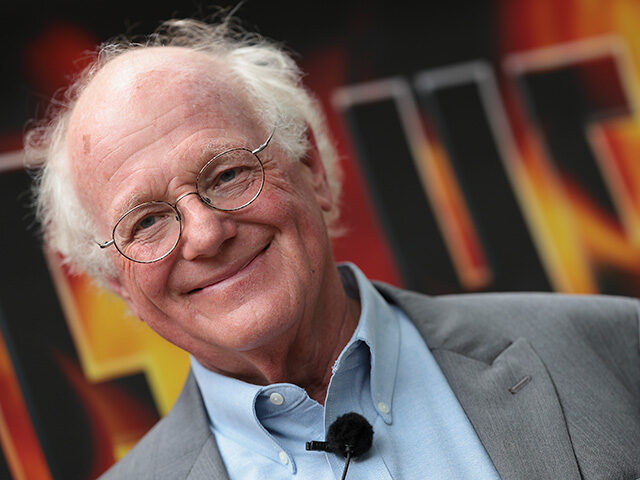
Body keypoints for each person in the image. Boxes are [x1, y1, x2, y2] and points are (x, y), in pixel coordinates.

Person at [25, 17, 640, 480]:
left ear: (312, 168)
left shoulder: (616, 350)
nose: (207, 234)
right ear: (115, 283)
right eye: (148, 221)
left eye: (227, 175)